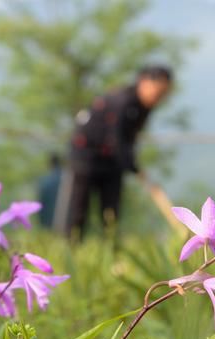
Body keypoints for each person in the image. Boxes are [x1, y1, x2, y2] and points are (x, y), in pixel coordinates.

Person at [65, 65, 173, 238]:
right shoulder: (122, 101)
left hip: (111, 160)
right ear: (143, 82)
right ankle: (71, 246)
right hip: (86, 155)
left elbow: (128, 140)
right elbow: (118, 139)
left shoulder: (143, 107)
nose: (158, 97)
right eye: (157, 91)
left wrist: (130, 163)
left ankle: (111, 250)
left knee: (110, 212)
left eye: (163, 94)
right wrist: (134, 167)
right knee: (79, 208)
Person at [38, 153, 62, 228]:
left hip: (48, 216)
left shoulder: (45, 180)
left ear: (50, 164)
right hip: (62, 215)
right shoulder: (66, 180)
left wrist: (41, 219)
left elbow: (41, 201)